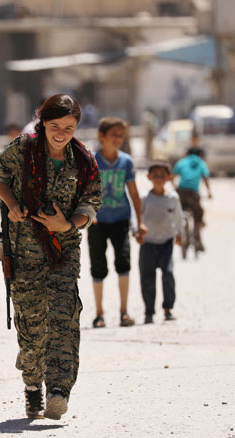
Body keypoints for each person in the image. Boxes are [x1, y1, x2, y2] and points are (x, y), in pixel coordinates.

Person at [0, 94, 102, 420]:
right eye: (55, 126)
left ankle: (59, 389)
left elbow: (91, 203)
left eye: (69, 127)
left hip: (64, 250)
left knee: (65, 318)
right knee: (33, 326)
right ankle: (32, 385)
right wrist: (12, 204)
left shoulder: (83, 160)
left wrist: (68, 223)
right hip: (24, 251)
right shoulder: (24, 148)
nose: (61, 133)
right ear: (43, 122)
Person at [88, 117, 147, 329]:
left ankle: (124, 311)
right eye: (113, 135)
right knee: (98, 267)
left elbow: (134, 194)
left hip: (121, 220)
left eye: (121, 136)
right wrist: (87, 214)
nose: (118, 139)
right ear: (102, 136)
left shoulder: (126, 162)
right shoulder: (92, 161)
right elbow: (84, 192)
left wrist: (140, 223)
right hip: (97, 222)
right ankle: (99, 313)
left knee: (123, 263)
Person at [138, 161, 183, 323]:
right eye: (155, 176)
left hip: (166, 243)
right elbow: (137, 216)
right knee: (147, 277)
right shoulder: (144, 197)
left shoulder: (173, 197)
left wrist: (179, 233)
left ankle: (168, 309)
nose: (159, 179)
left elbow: (178, 217)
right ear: (149, 177)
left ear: (169, 178)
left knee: (168, 274)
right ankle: (149, 312)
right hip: (148, 242)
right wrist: (137, 231)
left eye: (162, 176)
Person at [172, 146, 212, 252]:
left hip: (180, 193)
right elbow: (206, 179)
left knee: (178, 213)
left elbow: (172, 176)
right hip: (193, 194)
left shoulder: (181, 162)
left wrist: (174, 188)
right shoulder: (201, 163)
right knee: (199, 214)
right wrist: (209, 193)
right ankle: (197, 236)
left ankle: (180, 235)